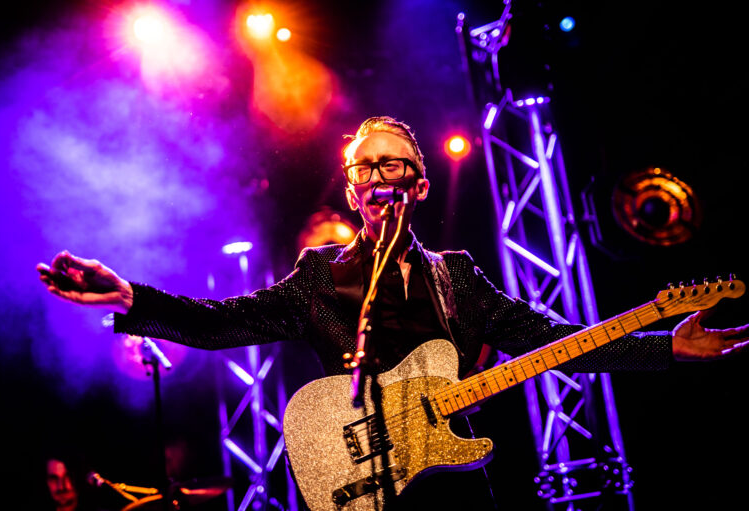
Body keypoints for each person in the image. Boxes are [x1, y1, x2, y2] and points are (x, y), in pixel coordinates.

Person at [37, 116, 749, 509]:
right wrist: (129, 295)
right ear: (352, 193)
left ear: (420, 181)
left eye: (393, 164)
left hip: (455, 487)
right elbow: (220, 323)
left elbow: (555, 340)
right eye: (364, 169)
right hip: (354, 485)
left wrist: (662, 344)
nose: (378, 178)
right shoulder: (319, 277)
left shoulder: (457, 276)